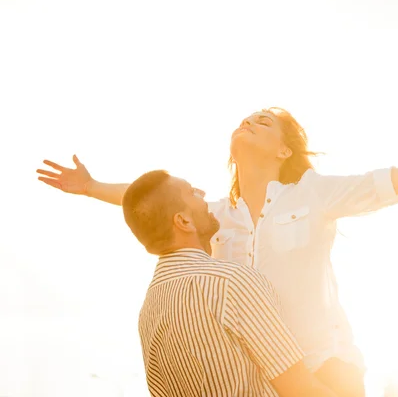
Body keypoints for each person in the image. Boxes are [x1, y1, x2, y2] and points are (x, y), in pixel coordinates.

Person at [37, 107, 398, 396]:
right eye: (246, 117)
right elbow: (158, 206)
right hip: (263, 381)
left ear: (283, 150)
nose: (250, 120)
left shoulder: (316, 193)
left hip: (325, 369)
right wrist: (93, 188)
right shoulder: (215, 214)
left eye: (265, 122)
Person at [120, 169, 336, 397]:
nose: (202, 194)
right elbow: (301, 390)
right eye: (192, 192)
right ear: (183, 221)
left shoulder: (148, 311)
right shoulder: (231, 283)